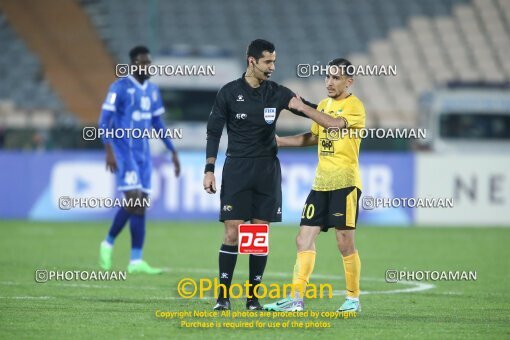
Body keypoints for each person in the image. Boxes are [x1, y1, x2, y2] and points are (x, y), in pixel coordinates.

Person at [204, 39, 315, 310]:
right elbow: (214, 131)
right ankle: (223, 297)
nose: (272, 67)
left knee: (258, 234)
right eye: (268, 62)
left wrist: (335, 118)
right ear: (251, 61)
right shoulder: (229, 92)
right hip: (237, 169)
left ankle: (253, 299)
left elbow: (312, 110)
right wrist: (209, 169)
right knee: (232, 232)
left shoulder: (277, 93)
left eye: (274, 61)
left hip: (266, 170)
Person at [263, 58, 365, 312]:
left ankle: (353, 299)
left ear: (349, 81)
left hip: (345, 182)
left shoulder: (355, 107)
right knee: (303, 239)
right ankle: (296, 299)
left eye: (336, 78)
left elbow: (332, 124)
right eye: (327, 77)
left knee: (344, 243)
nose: (329, 82)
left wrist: (300, 106)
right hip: (320, 183)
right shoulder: (324, 104)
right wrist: (279, 142)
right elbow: (314, 136)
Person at [98, 46, 180, 274]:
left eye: (149, 63)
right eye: (143, 63)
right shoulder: (119, 87)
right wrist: (108, 150)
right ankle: (108, 242)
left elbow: (157, 123)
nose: (147, 67)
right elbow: (104, 121)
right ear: (133, 63)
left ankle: (135, 260)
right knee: (134, 200)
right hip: (124, 151)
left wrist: (172, 150)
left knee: (141, 205)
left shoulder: (152, 90)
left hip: (144, 153)